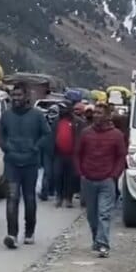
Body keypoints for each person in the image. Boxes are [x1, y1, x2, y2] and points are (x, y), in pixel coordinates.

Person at [0, 83, 51, 249]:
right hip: (12, 163)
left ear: (26, 96)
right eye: (13, 95)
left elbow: (47, 134)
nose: (16, 99)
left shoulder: (37, 116)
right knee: (12, 198)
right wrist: (7, 148)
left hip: (30, 164)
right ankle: (12, 235)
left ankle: (29, 232)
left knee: (29, 199)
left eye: (19, 95)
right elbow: (0, 137)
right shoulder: (6, 116)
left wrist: (35, 148)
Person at [75, 102, 126, 258]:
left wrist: (114, 175)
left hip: (106, 180)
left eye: (100, 113)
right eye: (95, 112)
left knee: (104, 213)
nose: (96, 115)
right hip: (88, 179)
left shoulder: (116, 135)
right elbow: (77, 154)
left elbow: (121, 156)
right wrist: (81, 173)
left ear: (107, 116)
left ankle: (103, 244)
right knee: (92, 214)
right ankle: (97, 239)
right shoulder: (85, 133)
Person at [53, 102, 83, 208]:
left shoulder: (78, 122)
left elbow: (80, 137)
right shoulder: (57, 121)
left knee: (71, 178)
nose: (62, 111)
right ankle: (59, 197)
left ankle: (68, 198)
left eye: (64, 109)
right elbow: (53, 136)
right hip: (59, 154)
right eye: (61, 109)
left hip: (72, 155)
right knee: (57, 175)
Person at [38, 104, 60, 202]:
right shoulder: (58, 121)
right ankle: (47, 192)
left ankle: (47, 191)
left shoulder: (45, 120)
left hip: (52, 150)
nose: (51, 115)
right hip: (52, 150)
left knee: (48, 172)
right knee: (51, 172)